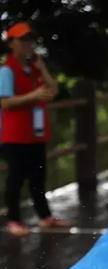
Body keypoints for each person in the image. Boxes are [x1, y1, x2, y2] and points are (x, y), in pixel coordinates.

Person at [0, 21, 70, 238]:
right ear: (11, 43)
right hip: (15, 136)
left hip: (35, 134)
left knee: (39, 177)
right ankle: (13, 220)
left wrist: (42, 68)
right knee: (16, 178)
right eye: (23, 40)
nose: (28, 44)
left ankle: (44, 217)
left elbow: (53, 90)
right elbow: (6, 103)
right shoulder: (6, 71)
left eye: (30, 39)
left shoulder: (33, 69)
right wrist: (34, 96)